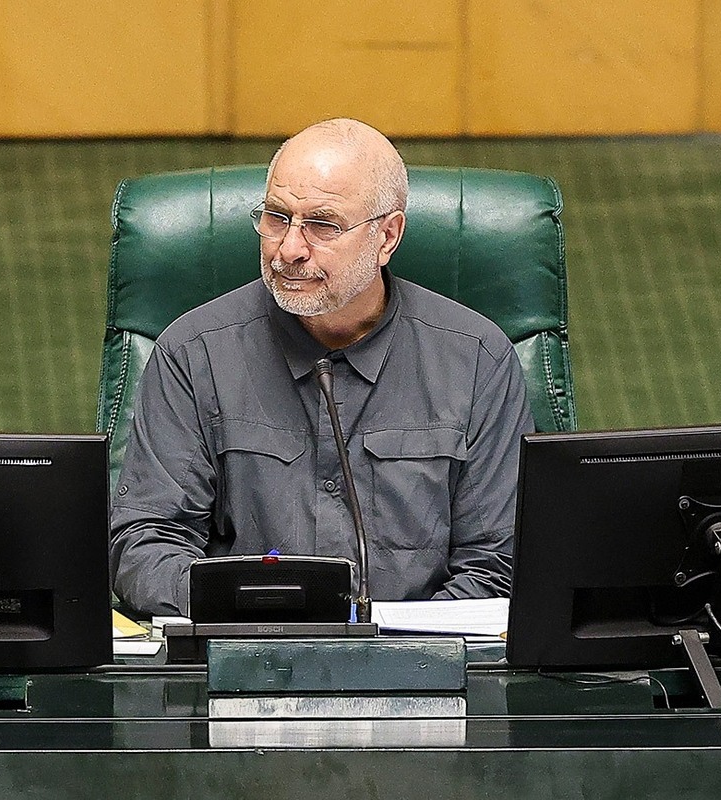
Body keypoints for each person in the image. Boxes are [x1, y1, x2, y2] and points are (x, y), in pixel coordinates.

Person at [109, 118, 535, 616]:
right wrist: (256, 617)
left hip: (419, 657)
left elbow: (497, 564)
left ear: (387, 236)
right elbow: (145, 545)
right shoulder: (192, 353)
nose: (289, 249)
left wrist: (393, 644)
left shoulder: (478, 360)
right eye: (276, 217)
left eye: (322, 225)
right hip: (243, 651)